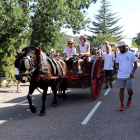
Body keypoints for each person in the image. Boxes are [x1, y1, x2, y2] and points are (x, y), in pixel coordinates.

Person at [115, 41, 137, 111]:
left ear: (124, 47)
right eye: (119, 48)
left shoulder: (131, 54)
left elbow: (135, 64)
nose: (119, 49)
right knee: (121, 90)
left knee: (129, 90)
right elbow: (117, 63)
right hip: (121, 75)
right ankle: (121, 104)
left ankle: (129, 98)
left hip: (129, 75)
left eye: (121, 48)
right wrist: (116, 67)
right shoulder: (118, 55)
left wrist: (133, 72)